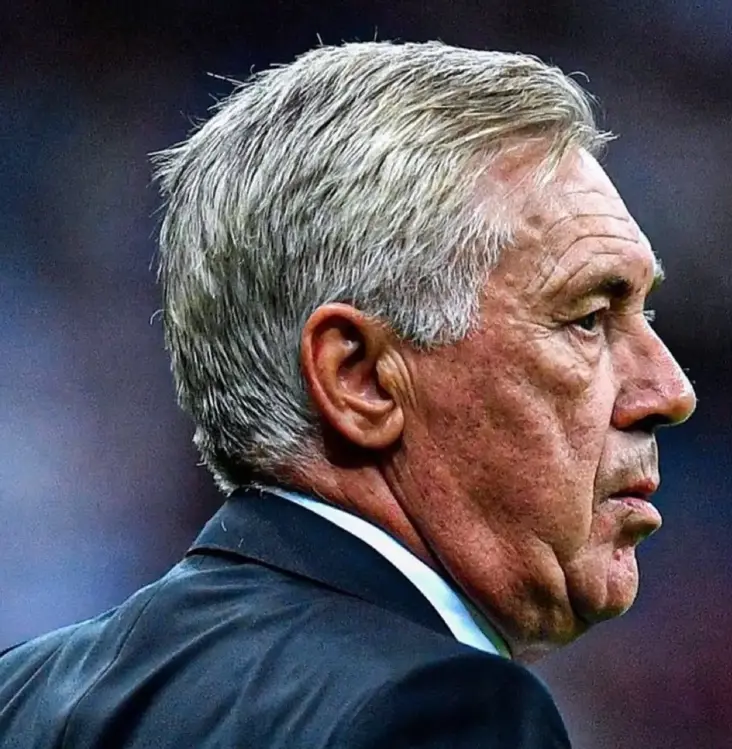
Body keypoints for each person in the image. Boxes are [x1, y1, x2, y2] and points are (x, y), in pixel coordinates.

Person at [0, 41, 695, 748]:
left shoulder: (22, 695)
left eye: (646, 315)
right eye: (587, 318)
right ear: (360, 379)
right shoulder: (443, 710)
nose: (669, 392)